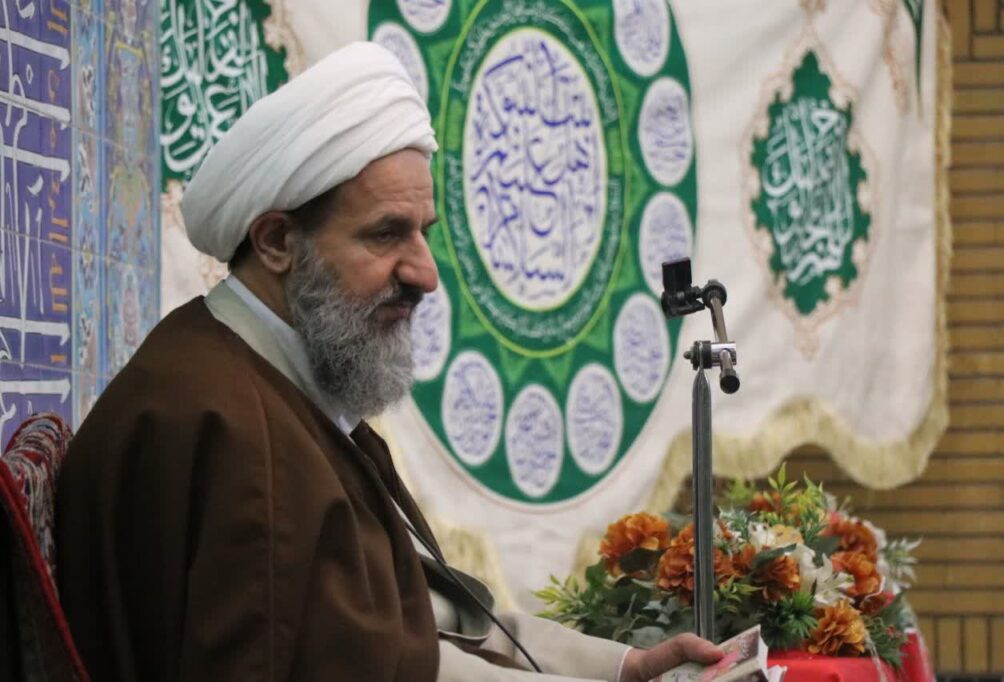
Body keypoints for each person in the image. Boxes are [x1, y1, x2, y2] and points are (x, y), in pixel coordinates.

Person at [55, 43, 722, 682]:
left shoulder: (269, 386)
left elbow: (414, 630)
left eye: (422, 234)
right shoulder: (228, 428)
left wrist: (626, 669)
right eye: (385, 234)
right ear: (278, 241)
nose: (426, 275)